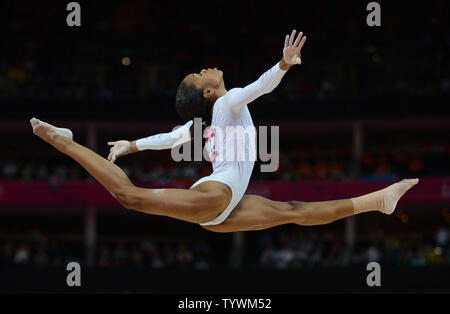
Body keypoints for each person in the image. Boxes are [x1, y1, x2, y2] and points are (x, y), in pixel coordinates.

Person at [30, 29, 419, 233]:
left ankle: (378, 201)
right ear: (209, 90)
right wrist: (283, 66)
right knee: (129, 197)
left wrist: (133, 144)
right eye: (200, 74)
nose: (207, 68)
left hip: (222, 205)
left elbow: (174, 137)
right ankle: (63, 140)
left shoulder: (214, 118)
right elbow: (260, 87)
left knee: (297, 212)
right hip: (218, 199)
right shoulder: (229, 101)